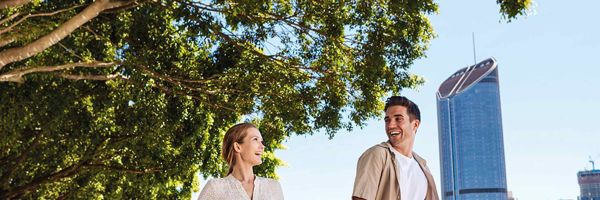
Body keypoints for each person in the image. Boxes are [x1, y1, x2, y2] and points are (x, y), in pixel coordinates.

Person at [352, 96, 439, 200]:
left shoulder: (423, 168)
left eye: (398, 119)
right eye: (387, 120)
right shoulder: (377, 154)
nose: (390, 125)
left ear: (415, 125)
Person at [198, 123, 284, 200]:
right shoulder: (215, 188)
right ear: (237, 147)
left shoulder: (273, 187)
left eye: (261, 141)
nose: (262, 146)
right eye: (255, 139)